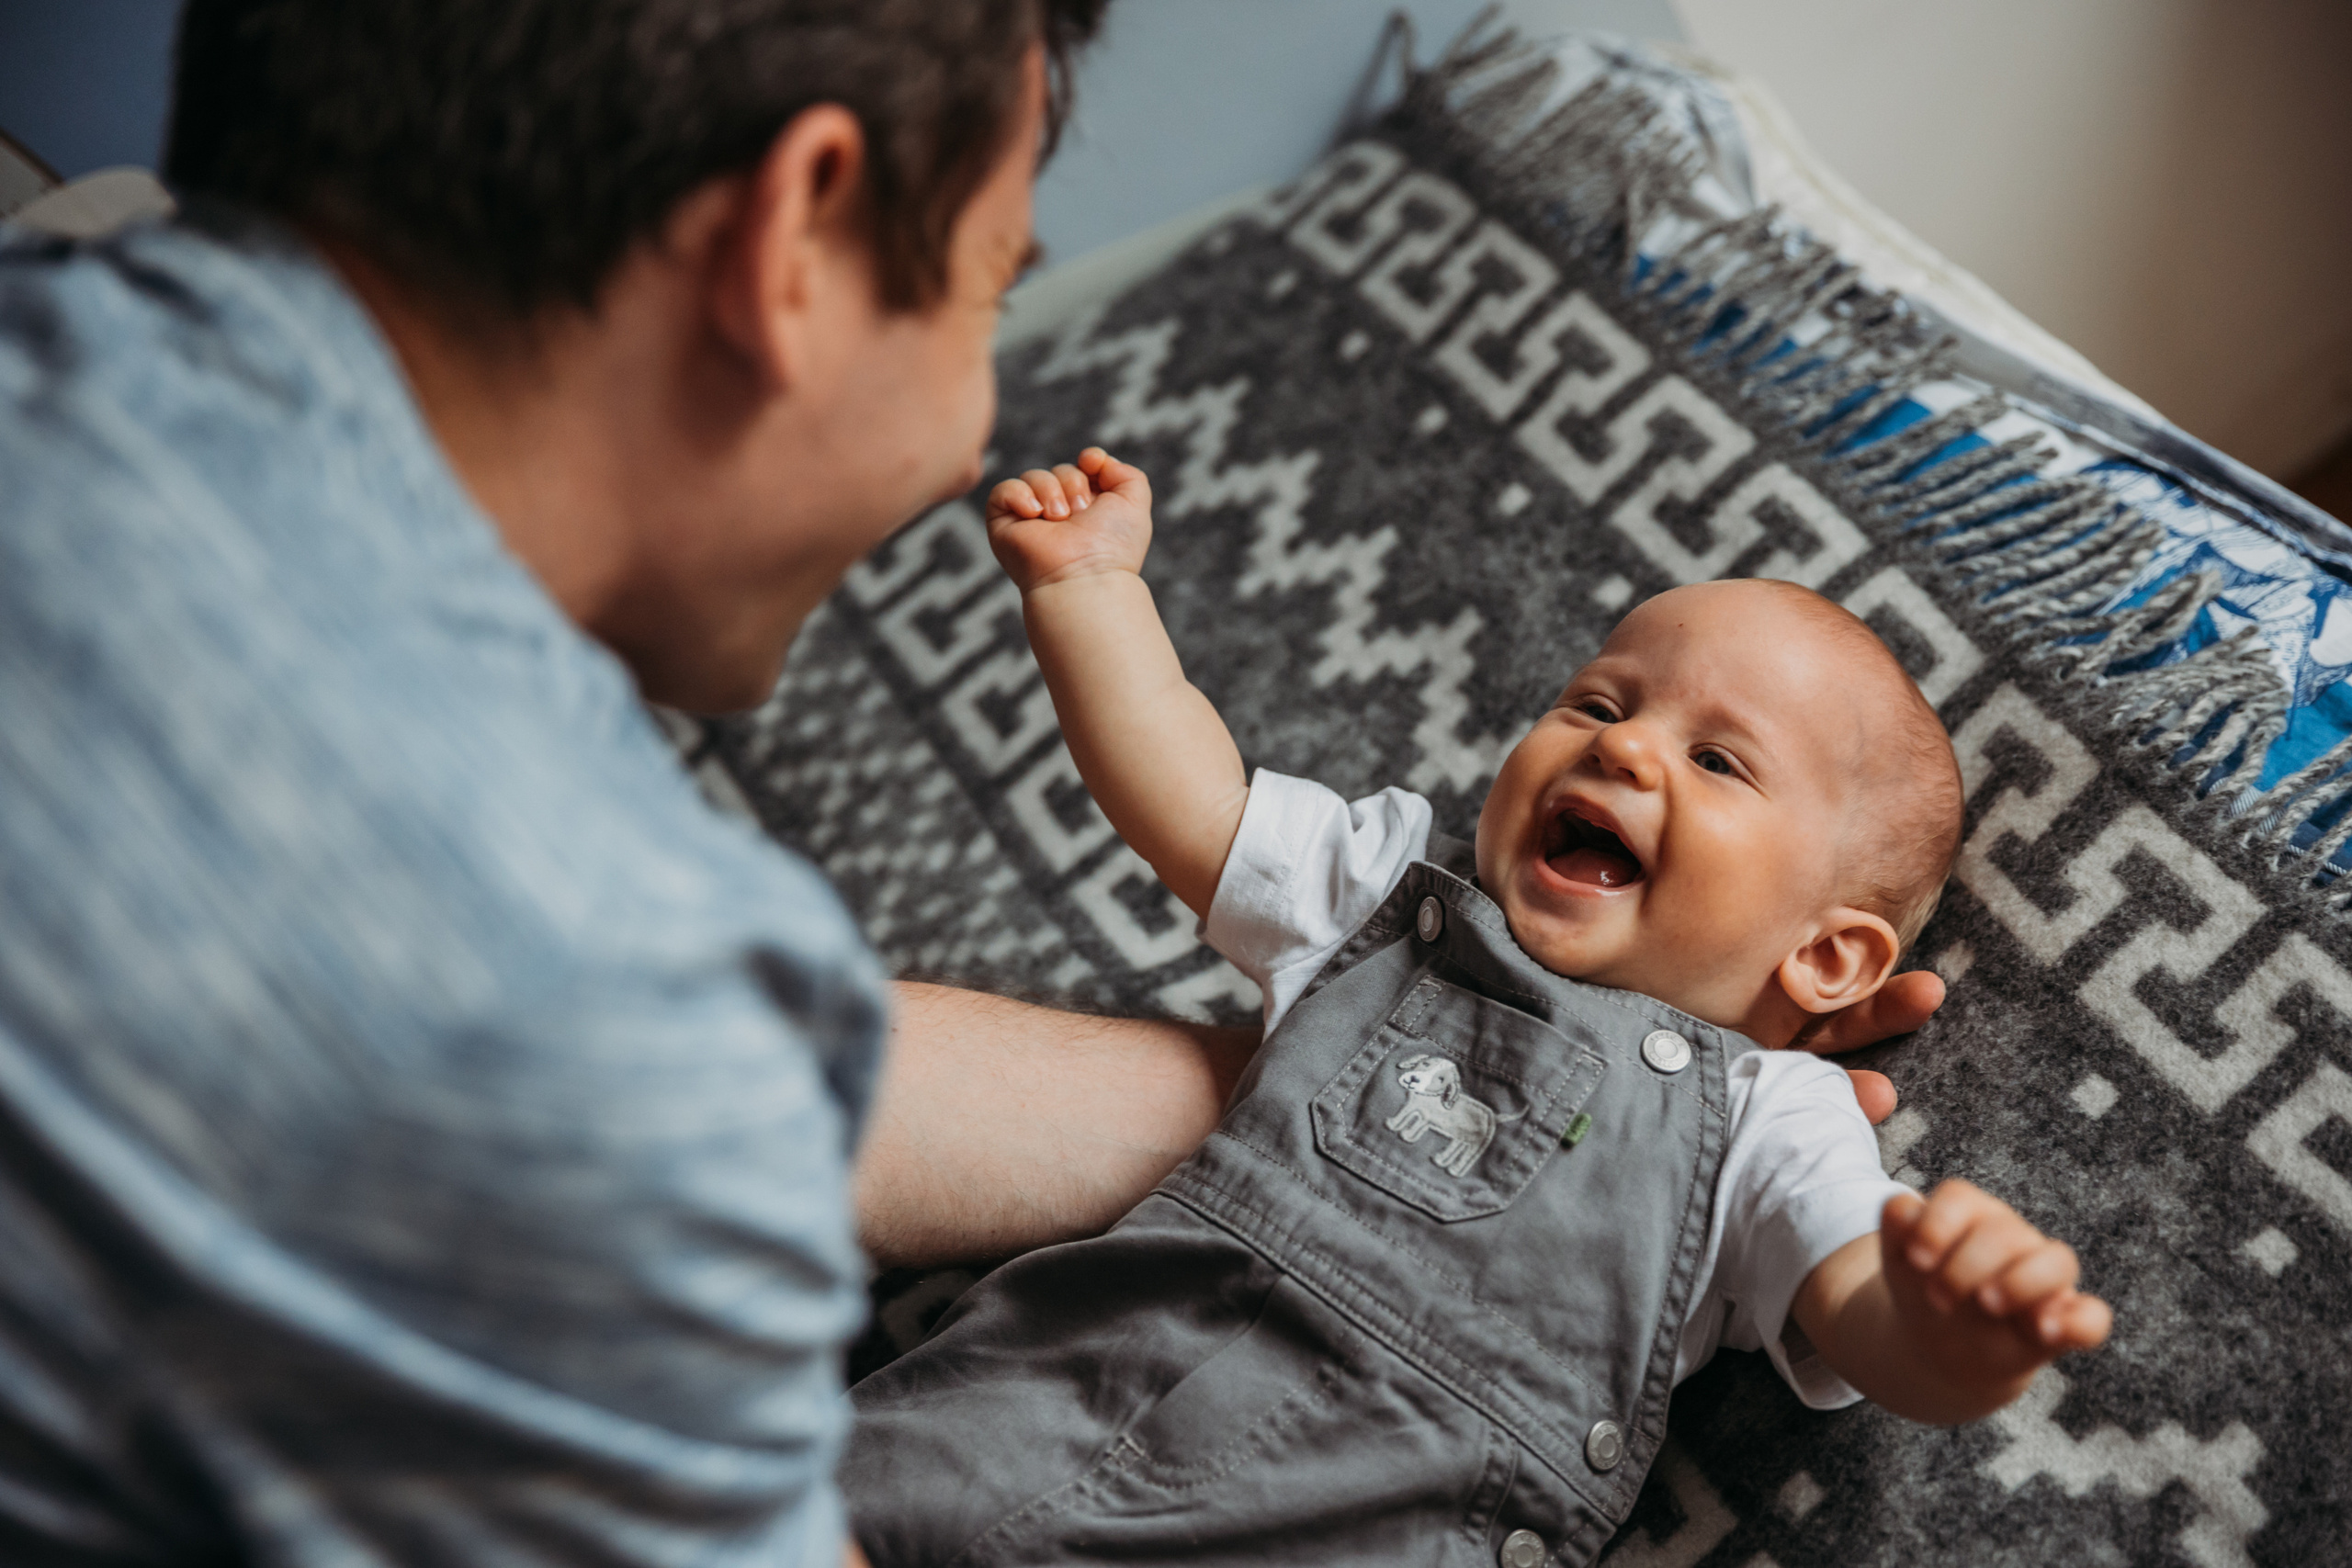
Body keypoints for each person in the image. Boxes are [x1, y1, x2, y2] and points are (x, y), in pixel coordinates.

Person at [0, 2, 1946, 1564]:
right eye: (991, 294)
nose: (970, 437)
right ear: (796, 234)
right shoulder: (596, 988)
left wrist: (1449, 1113)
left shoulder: (60, 307)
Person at [842, 451, 2111, 1567]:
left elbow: (1856, 1302)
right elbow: (1195, 797)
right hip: (1026, 1413)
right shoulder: (1387, 904)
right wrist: (1088, 591)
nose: (1623, 747)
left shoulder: (1775, 1120)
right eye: (1599, 703)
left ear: (1828, 958)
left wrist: (1954, 1331)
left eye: (1717, 760)